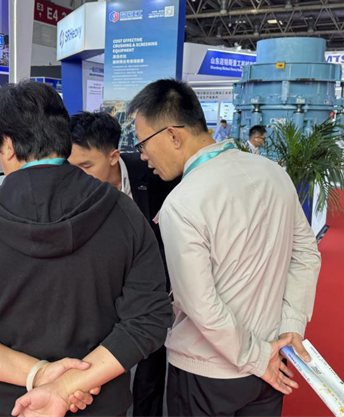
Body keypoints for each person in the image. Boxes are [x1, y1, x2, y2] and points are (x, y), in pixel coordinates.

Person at [0, 82, 172, 417]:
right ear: (62, 138)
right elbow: (149, 318)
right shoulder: (123, 212)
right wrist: (68, 384)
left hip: (10, 407)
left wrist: (38, 374)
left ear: (7, 146)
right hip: (100, 403)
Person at [128, 79, 322, 417]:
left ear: (173, 135)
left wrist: (256, 357)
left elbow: (200, 305)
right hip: (272, 356)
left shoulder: (182, 202)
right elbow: (305, 254)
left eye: (143, 143)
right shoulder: (273, 173)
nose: (142, 155)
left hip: (208, 371)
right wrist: (291, 325)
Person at [68, 111, 178, 417]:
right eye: (70, 166)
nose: (76, 176)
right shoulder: (70, 189)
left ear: (114, 156)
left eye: (86, 166)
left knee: (149, 369)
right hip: (101, 290)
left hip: (151, 288)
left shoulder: (153, 174)